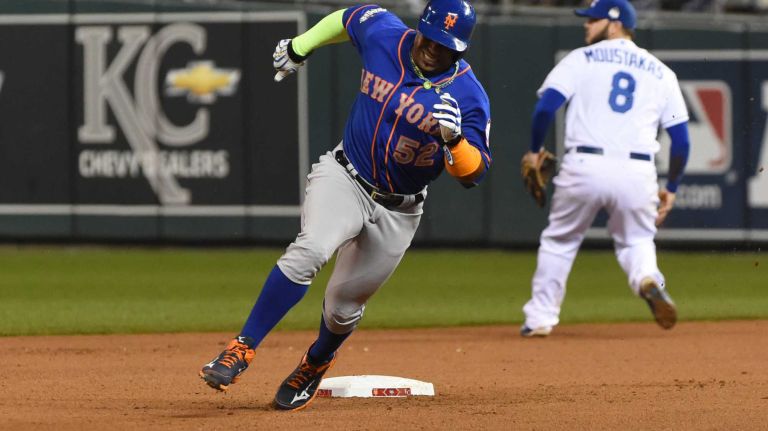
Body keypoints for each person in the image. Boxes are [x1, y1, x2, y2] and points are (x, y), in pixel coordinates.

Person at [200, 0, 492, 410]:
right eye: (432, 38)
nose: (435, 49)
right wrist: (302, 46)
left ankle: (316, 361)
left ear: (460, 49)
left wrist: (455, 142)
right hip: (345, 176)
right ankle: (240, 348)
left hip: (399, 210)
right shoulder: (386, 36)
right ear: (420, 28)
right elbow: (349, 17)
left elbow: (474, 174)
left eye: (447, 45)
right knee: (311, 249)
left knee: (343, 309)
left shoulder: (468, 95)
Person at [519, 0, 690, 337]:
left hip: (584, 163)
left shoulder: (579, 59)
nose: (586, 25)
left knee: (560, 241)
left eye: (593, 20)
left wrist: (535, 151)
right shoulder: (661, 72)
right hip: (638, 171)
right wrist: (671, 187)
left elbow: (544, 110)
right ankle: (647, 280)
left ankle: (540, 318)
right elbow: (681, 141)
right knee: (637, 241)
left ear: (614, 24)